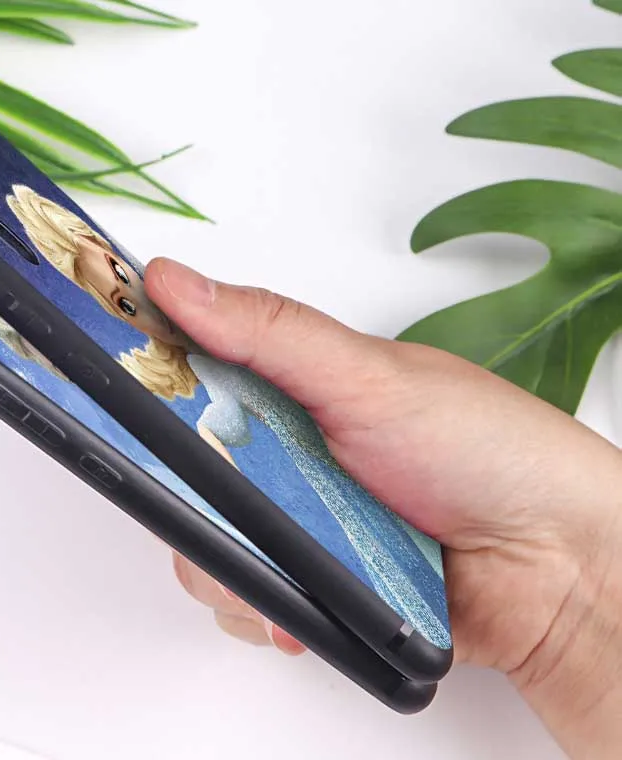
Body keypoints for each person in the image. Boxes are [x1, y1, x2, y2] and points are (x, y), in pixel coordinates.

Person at [143, 257, 622, 759]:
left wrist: (574, 582)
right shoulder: (206, 400)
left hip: (334, 488)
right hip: (329, 495)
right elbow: (222, 450)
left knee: (372, 573)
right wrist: (567, 601)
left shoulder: (209, 380)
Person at [6, 184, 450, 648]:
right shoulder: (200, 368)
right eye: (123, 305)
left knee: (387, 582)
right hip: (324, 485)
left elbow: (238, 416)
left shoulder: (211, 344)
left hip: (338, 479)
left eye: (119, 268)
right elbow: (230, 423)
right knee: (380, 584)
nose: (134, 291)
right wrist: (212, 451)